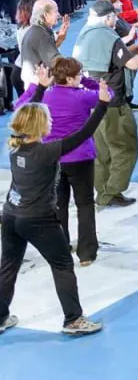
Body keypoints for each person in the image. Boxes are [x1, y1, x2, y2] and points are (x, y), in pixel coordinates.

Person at [0, 70, 110, 337]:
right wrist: (103, 104)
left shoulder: (15, 145)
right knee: (62, 265)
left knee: (8, 265)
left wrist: (39, 88)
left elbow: (26, 111)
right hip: (39, 219)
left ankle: (1, 316)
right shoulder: (47, 151)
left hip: (10, 214)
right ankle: (73, 319)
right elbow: (84, 133)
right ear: (41, 126)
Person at [13, 57, 102, 266]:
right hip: (80, 158)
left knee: (58, 204)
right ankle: (87, 253)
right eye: (79, 74)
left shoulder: (45, 96)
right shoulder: (82, 97)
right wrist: (88, 82)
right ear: (71, 78)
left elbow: (20, 105)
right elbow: (108, 96)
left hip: (52, 158)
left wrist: (37, 84)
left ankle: (61, 246)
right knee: (85, 203)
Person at [73, 0, 138, 207]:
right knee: (125, 148)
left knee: (101, 152)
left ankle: (102, 191)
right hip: (113, 104)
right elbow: (133, 63)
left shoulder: (84, 33)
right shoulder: (109, 37)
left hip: (90, 104)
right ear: (109, 17)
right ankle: (111, 193)